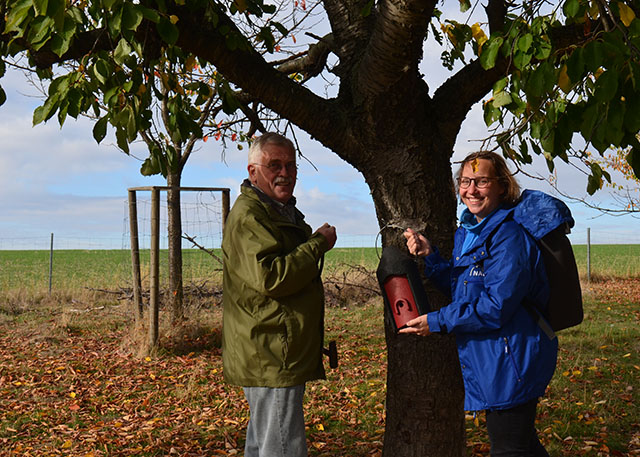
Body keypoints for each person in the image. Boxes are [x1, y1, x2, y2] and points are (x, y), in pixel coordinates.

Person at [402, 151, 559, 456]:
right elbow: (467, 287)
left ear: (501, 186)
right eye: (465, 181)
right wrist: (431, 256)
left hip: (512, 358)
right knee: (523, 445)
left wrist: (436, 321)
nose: (471, 190)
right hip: (494, 356)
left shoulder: (509, 236)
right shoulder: (470, 232)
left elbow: (495, 305)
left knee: (508, 448)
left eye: (482, 181)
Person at [221, 132, 337, 457]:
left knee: (264, 444)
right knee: (283, 447)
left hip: (274, 349)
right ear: (253, 171)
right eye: (274, 165)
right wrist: (317, 245)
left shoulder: (277, 210)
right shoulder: (251, 216)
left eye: (290, 165)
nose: (284, 173)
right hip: (270, 351)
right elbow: (272, 277)